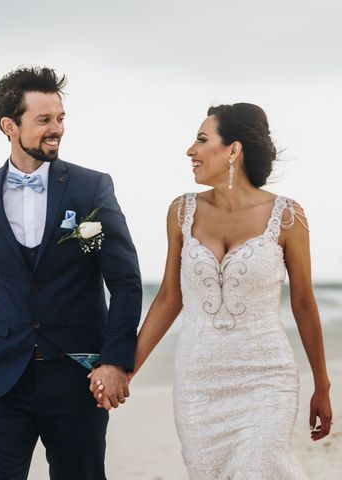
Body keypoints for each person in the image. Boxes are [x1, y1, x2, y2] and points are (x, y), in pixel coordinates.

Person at [94, 103, 332, 478]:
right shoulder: (181, 212)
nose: (191, 150)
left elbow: (303, 303)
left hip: (266, 378)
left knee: (260, 467)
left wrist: (322, 384)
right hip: (198, 384)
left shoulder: (288, 217)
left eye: (202, 140)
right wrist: (125, 370)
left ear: (233, 149)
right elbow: (170, 298)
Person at [0, 66, 142, 479]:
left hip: (78, 378)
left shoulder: (91, 187)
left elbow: (125, 281)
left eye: (60, 119)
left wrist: (114, 361)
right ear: (9, 125)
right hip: (3, 379)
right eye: (44, 120)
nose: (56, 129)